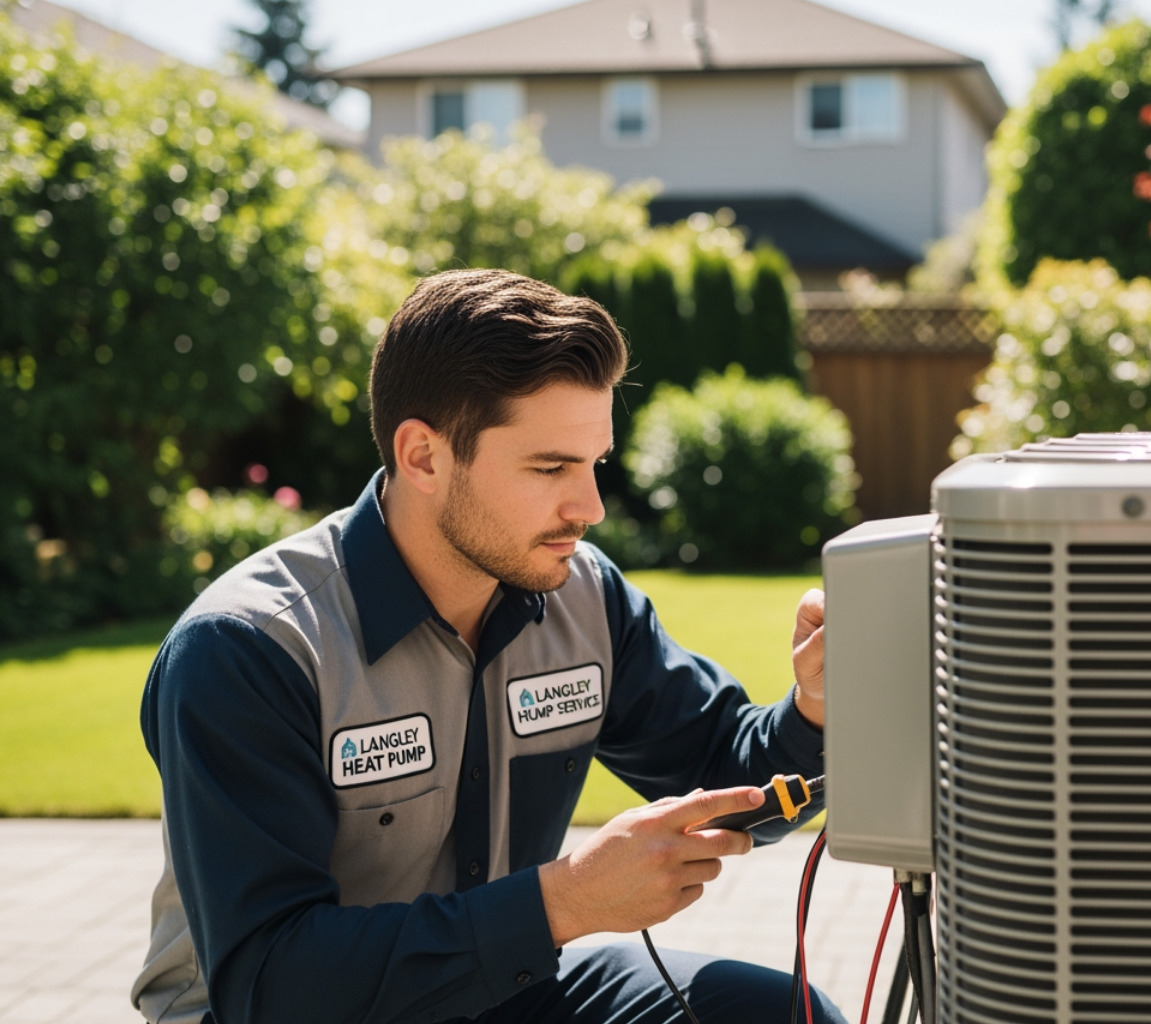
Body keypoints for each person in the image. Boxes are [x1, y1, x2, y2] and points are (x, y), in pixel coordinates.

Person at [132, 269, 843, 1024]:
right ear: (424, 457)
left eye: (593, 464)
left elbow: (725, 769)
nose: (591, 507)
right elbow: (273, 985)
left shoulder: (584, 596)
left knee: (784, 1013)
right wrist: (561, 903)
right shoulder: (250, 650)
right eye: (550, 468)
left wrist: (816, 709)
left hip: (503, 991)